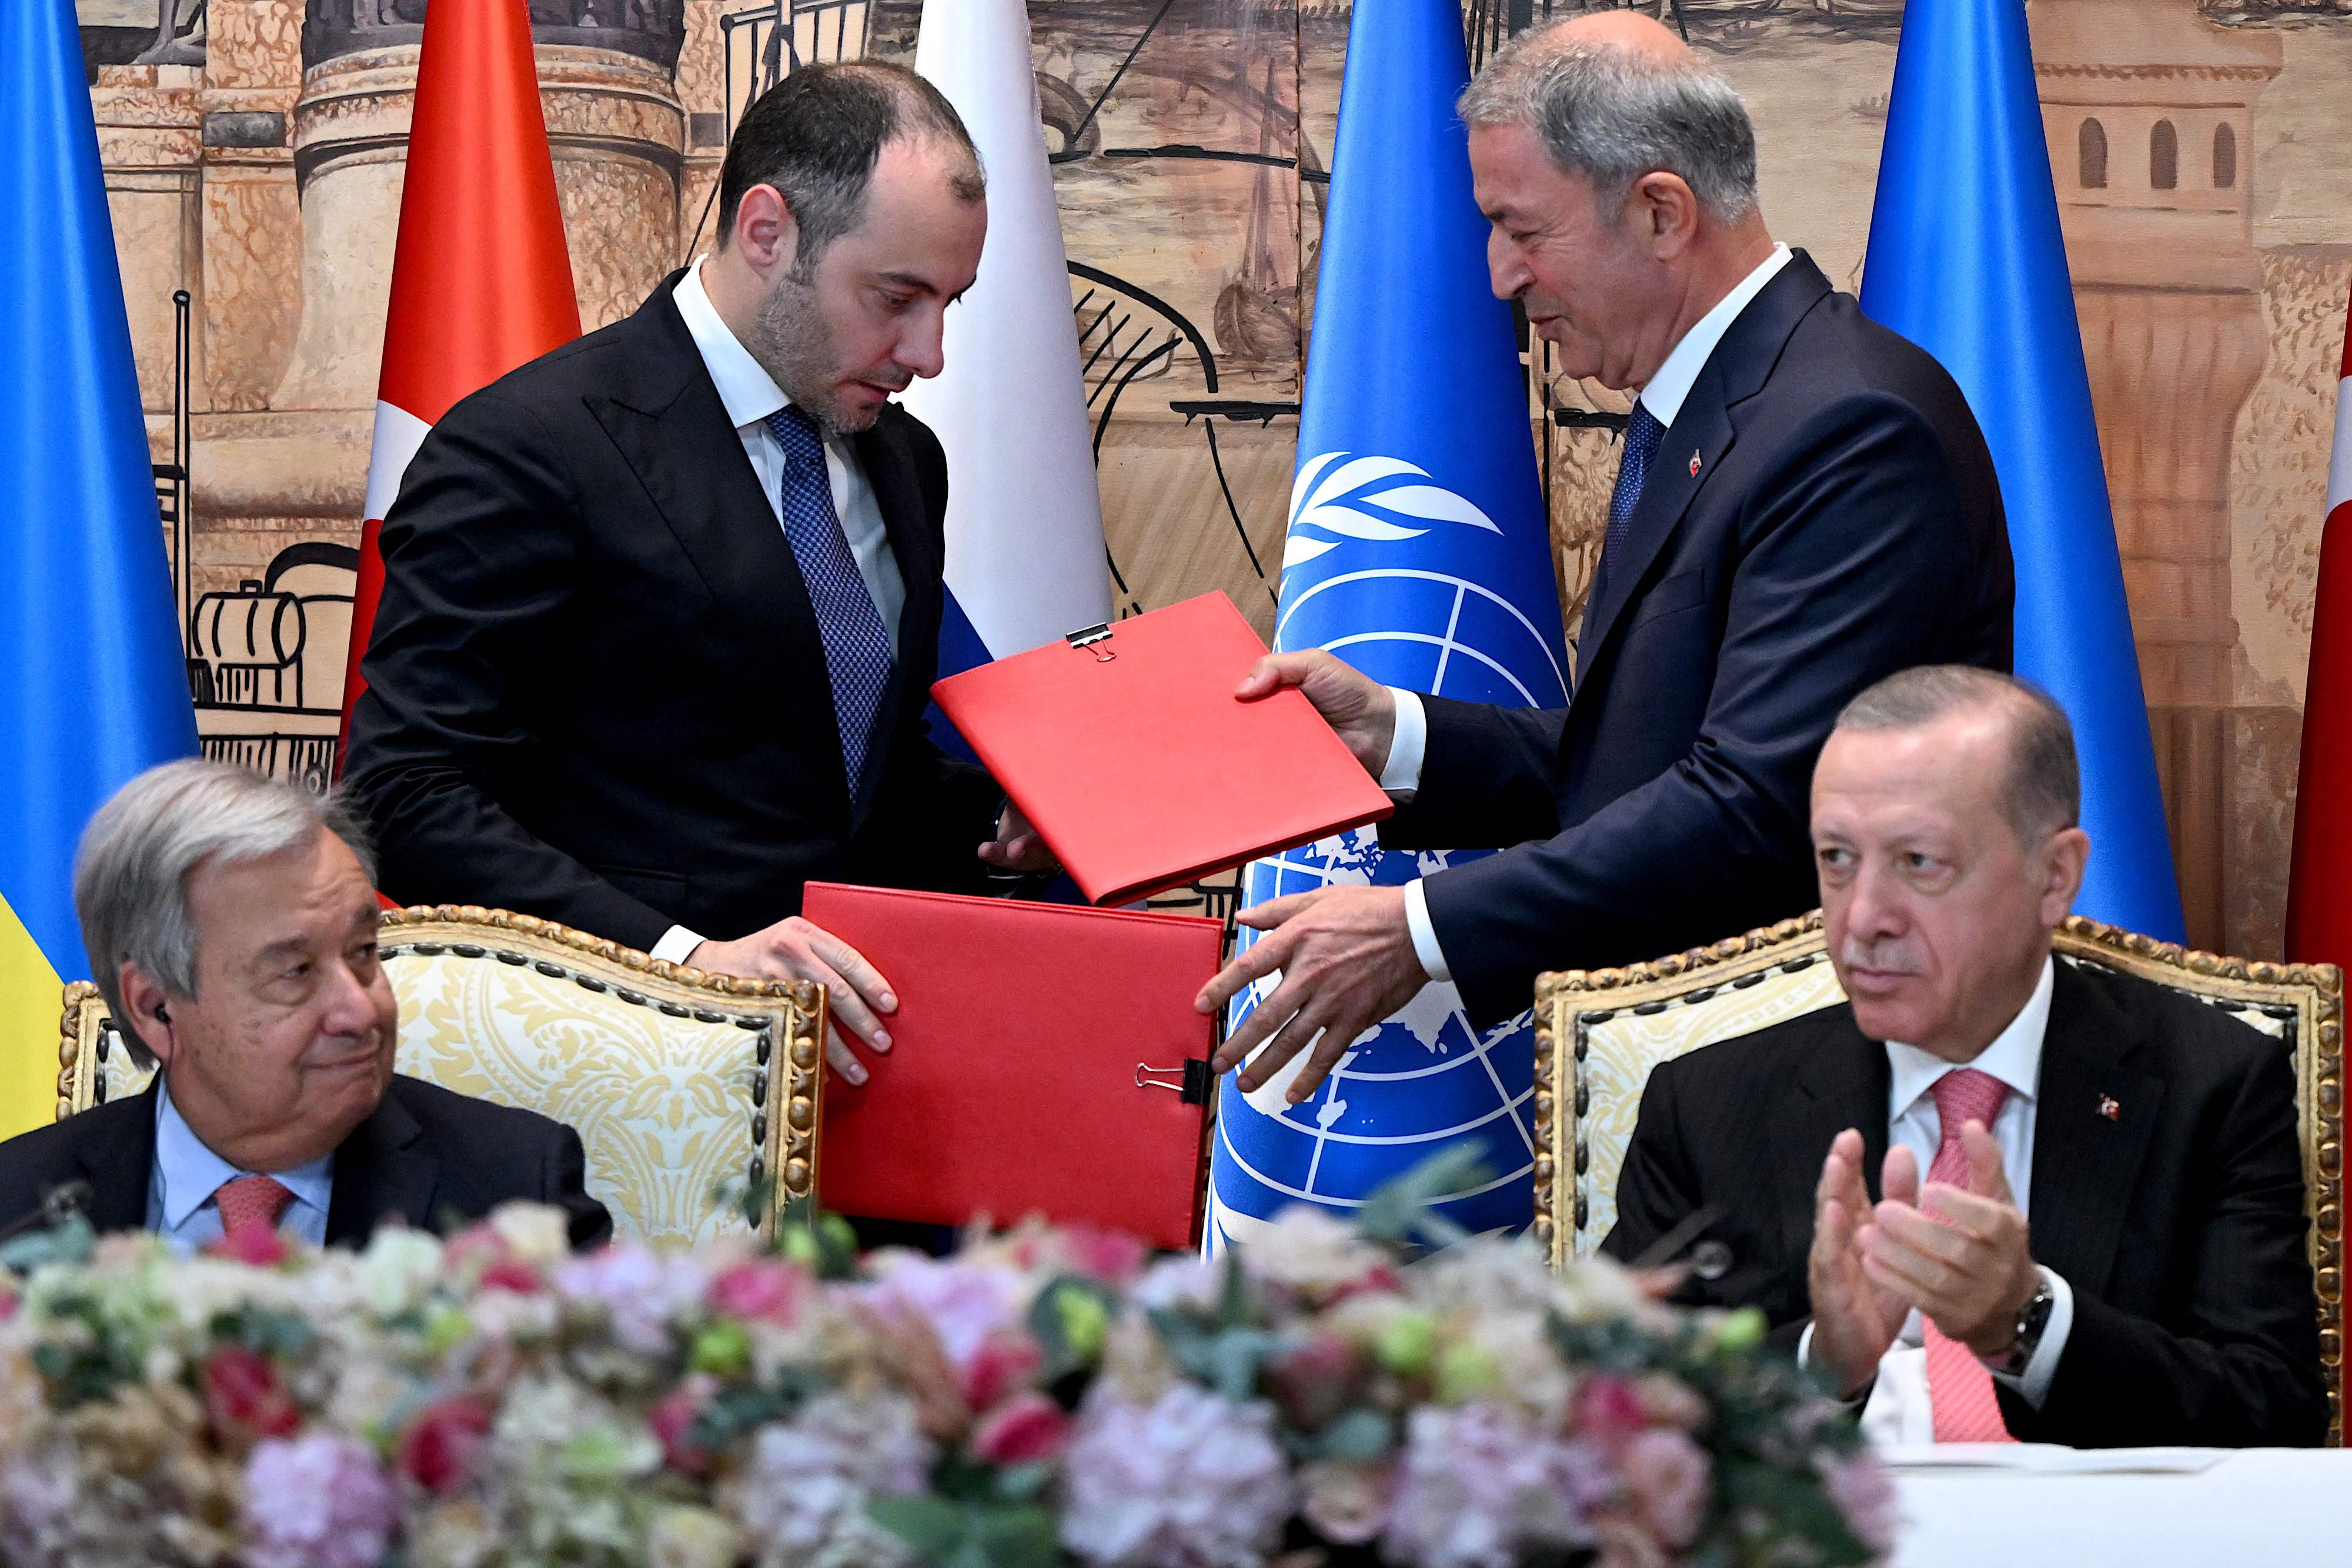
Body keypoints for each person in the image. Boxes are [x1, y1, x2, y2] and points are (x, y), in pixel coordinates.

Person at [1199, 14, 2012, 1104]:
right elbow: (1646, 756)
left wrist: (1423, 930)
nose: (1497, 276)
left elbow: (1756, 805)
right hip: (1693, 1080)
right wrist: (1397, 735)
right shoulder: (1714, 409)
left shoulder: (1851, 427)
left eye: (1520, 229)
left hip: (1805, 1106)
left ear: (1661, 212)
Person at [343, 62, 1051, 1088]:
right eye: (897, 297)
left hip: (867, 1083)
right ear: (768, 232)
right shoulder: (530, 446)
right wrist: (681, 963)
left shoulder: (903, 460)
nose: (930, 352)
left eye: (950, 302)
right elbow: (405, 794)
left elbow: (842, 780)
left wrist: (1009, 819)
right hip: (616, 1096)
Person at [1604, 667, 2327, 1447]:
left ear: (2056, 877)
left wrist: (2029, 1323)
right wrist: (1821, 1363)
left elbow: (2274, 1415)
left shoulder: (2209, 1082)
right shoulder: (1710, 1103)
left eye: (1919, 861)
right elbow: (1606, 1411)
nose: (1864, 917)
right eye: (1837, 858)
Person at [0, 761, 612, 1252]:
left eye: (364, 952)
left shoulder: (515, 1196)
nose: (361, 1011)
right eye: (294, 972)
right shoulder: (18, 1207)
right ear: (156, 1007)